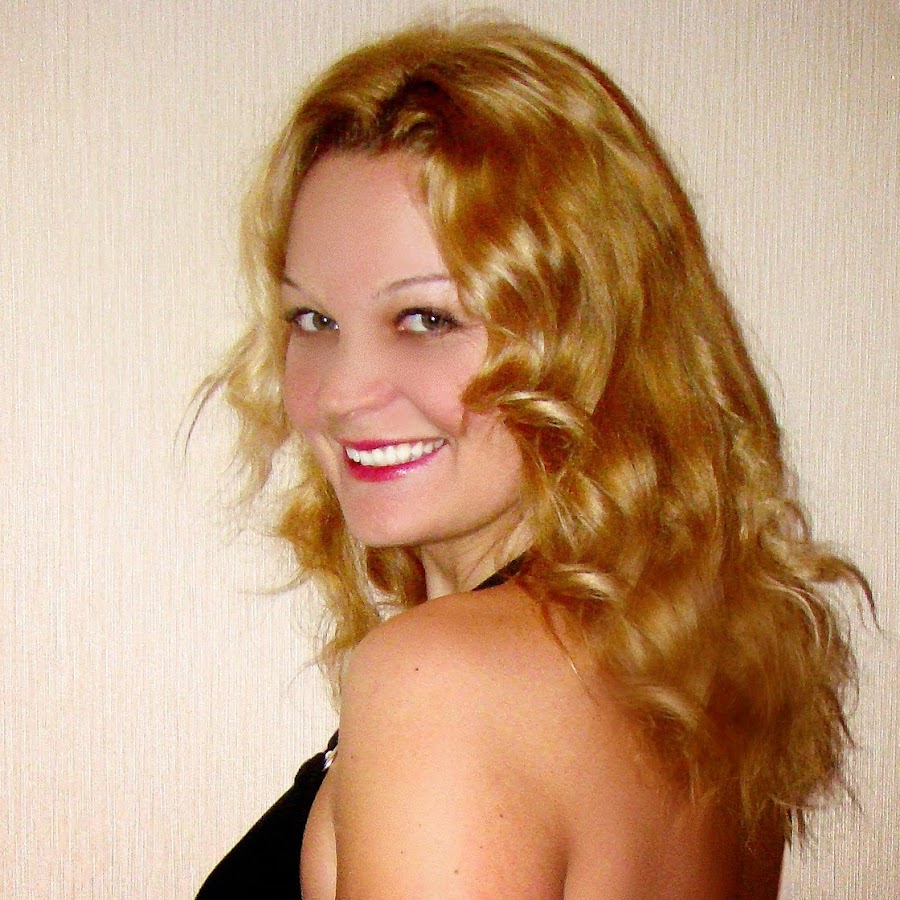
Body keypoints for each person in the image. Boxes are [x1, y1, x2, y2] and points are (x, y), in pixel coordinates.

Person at [195, 18, 871, 899]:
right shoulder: (697, 673)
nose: (342, 392)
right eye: (313, 320)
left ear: (589, 337)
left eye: (427, 318)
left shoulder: (440, 683)